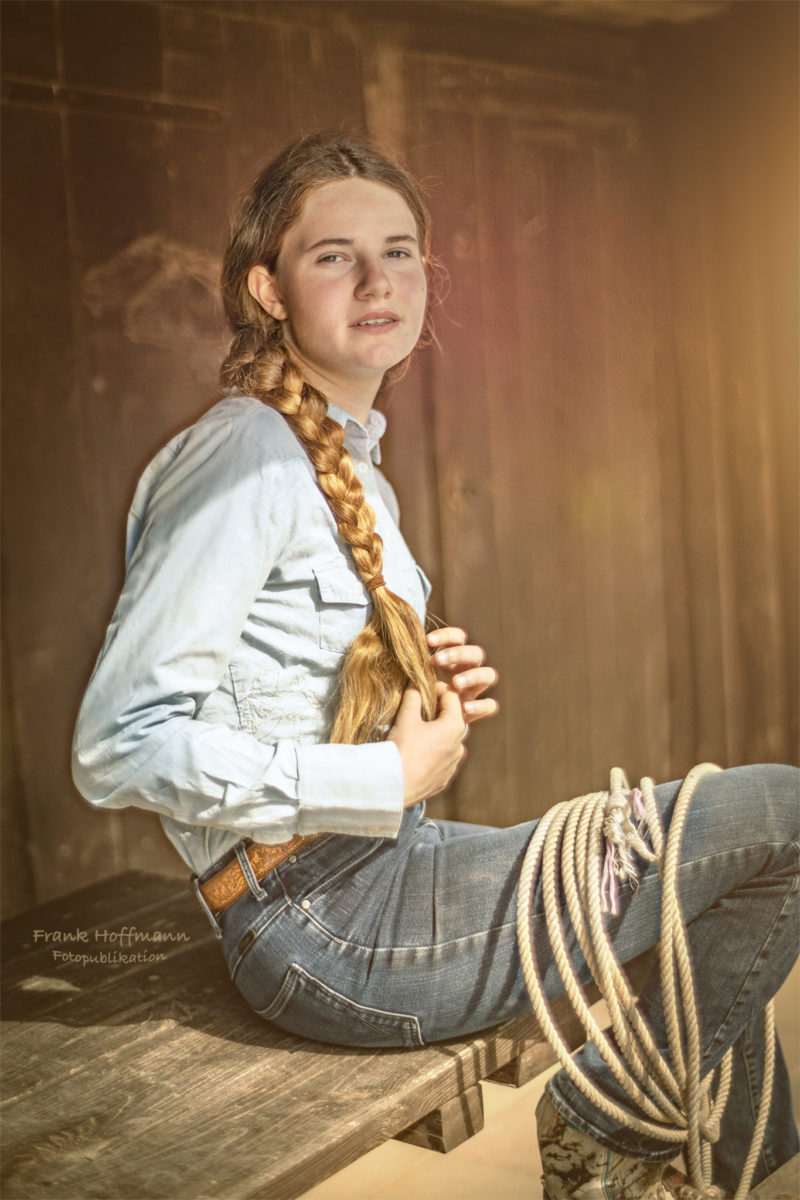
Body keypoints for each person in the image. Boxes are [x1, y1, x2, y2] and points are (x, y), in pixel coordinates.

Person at [72, 132, 799, 1199]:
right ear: (265, 288)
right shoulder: (245, 455)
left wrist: (401, 679)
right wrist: (381, 777)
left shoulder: (352, 468)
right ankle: (607, 1131)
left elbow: (277, 684)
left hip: (377, 871)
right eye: (334, 256)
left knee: (709, 870)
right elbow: (118, 745)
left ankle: (689, 1163)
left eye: (399, 252)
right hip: (320, 922)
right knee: (779, 813)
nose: (377, 281)